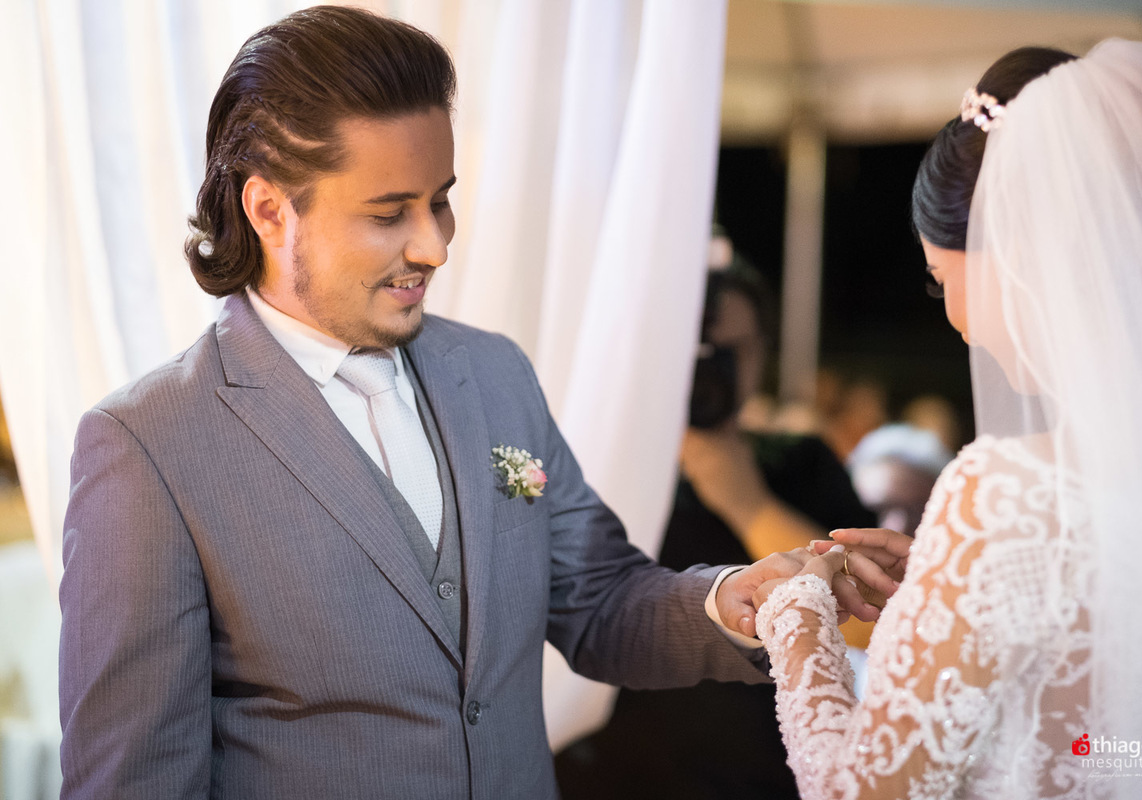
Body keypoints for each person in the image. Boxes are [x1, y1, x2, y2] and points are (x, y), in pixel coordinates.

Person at [56, 8, 833, 799]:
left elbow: (598, 598)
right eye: (390, 213)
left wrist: (733, 600)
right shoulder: (147, 445)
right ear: (268, 210)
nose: (433, 245)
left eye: (441, 200)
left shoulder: (493, 373)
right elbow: (135, 781)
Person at [752, 40, 1142, 799]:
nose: (960, 323)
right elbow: (1133, 752)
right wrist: (955, 581)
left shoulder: (1006, 494)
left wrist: (798, 616)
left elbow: (856, 793)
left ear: (1015, 253)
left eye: (942, 280)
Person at [555, 266, 875, 800]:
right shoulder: (600, 467)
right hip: (607, 775)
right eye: (697, 351)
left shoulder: (802, 463)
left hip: (762, 776)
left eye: (736, 351)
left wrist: (749, 504)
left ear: (762, 353)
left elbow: (870, 622)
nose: (714, 372)